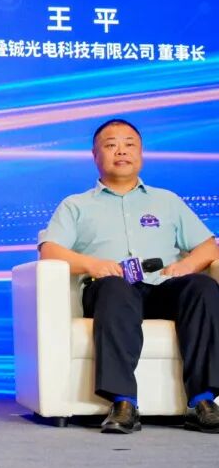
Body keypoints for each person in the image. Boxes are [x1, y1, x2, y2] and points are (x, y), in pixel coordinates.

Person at [38, 118, 219, 434]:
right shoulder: (75, 205)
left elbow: (208, 246)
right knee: (116, 288)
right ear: (95, 156)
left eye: (129, 144)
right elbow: (50, 250)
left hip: (163, 288)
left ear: (141, 152)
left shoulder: (167, 200)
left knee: (203, 287)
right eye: (111, 145)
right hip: (109, 291)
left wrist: (188, 266)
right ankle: (123, 403)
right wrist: (92, 264)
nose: (121, 151)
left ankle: (202, 401)